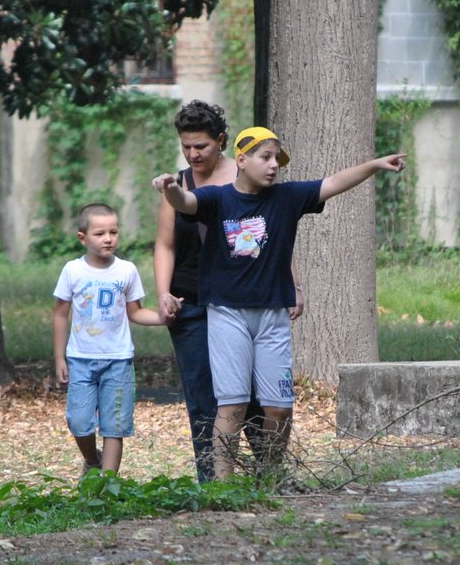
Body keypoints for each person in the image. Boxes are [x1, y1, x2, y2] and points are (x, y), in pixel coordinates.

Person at [154, 128, 406, 480]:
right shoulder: (217, 198)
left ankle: (270, 477)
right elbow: (186, 204)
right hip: (227, 314)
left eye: (277, 159)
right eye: (265, 157)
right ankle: (222, 487)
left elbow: (334, 182)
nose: (273, 166)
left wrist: (375, 165)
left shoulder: (287, 197)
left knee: (279, 409)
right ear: (241, 160)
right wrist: (171, 188)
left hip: (273, 314)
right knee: (232, 405)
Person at [153, 100, 297, 482]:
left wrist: (293, 283)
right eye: (185, 146)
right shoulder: (179, 186)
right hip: (191, 302)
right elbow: (165, 244)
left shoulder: (249, 174)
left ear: (221, 142)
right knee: (204, 396)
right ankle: (213, 483)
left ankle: (267, 475)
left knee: (253, 397)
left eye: (200, 145)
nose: (192, 154)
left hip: (241, 299)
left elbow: (273, 236)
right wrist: (163, 292)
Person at [53, 203, 166, 474]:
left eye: (113, 232)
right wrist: (60, 357)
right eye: (100, 233)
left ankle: (108, 485)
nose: (108, 238)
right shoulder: (72, 270)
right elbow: (60, 315)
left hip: (118, 360)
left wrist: (164, 318)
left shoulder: (126, 270)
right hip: (81, 359)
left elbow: (136, 312)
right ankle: (93, 461)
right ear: (83, 237)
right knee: (79, 422)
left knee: (115, 425)